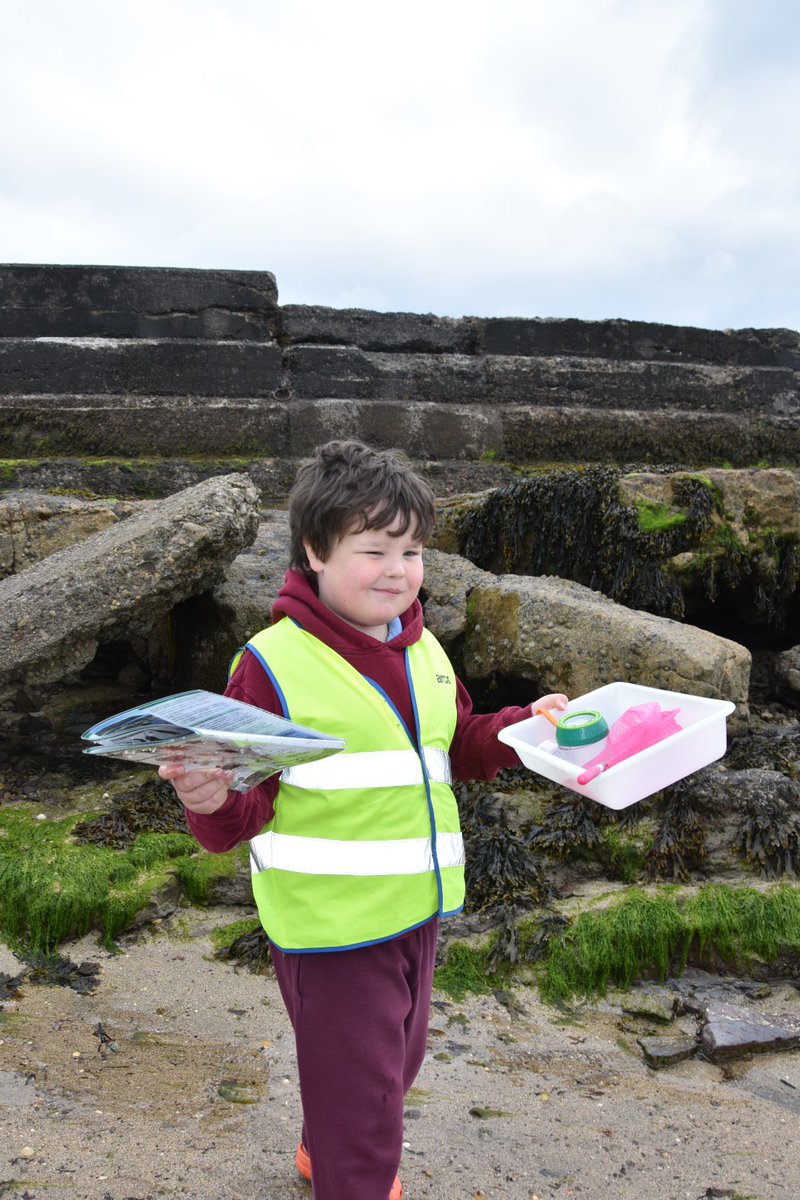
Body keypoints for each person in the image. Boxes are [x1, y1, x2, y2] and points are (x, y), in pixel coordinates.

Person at [160, 440, 567, 1200]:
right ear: (314, 550)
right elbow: (239, 814)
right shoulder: (270, 664)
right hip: (329, 924)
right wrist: (207, 799)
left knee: (394, 1063)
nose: (398, 571)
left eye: (412, 551)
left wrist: (524, 729)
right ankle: (349, 1173)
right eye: (374, 550)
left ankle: (324, 1142)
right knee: (367, 1099)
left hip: (417, 906)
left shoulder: (425, 648)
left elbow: (457, 746)